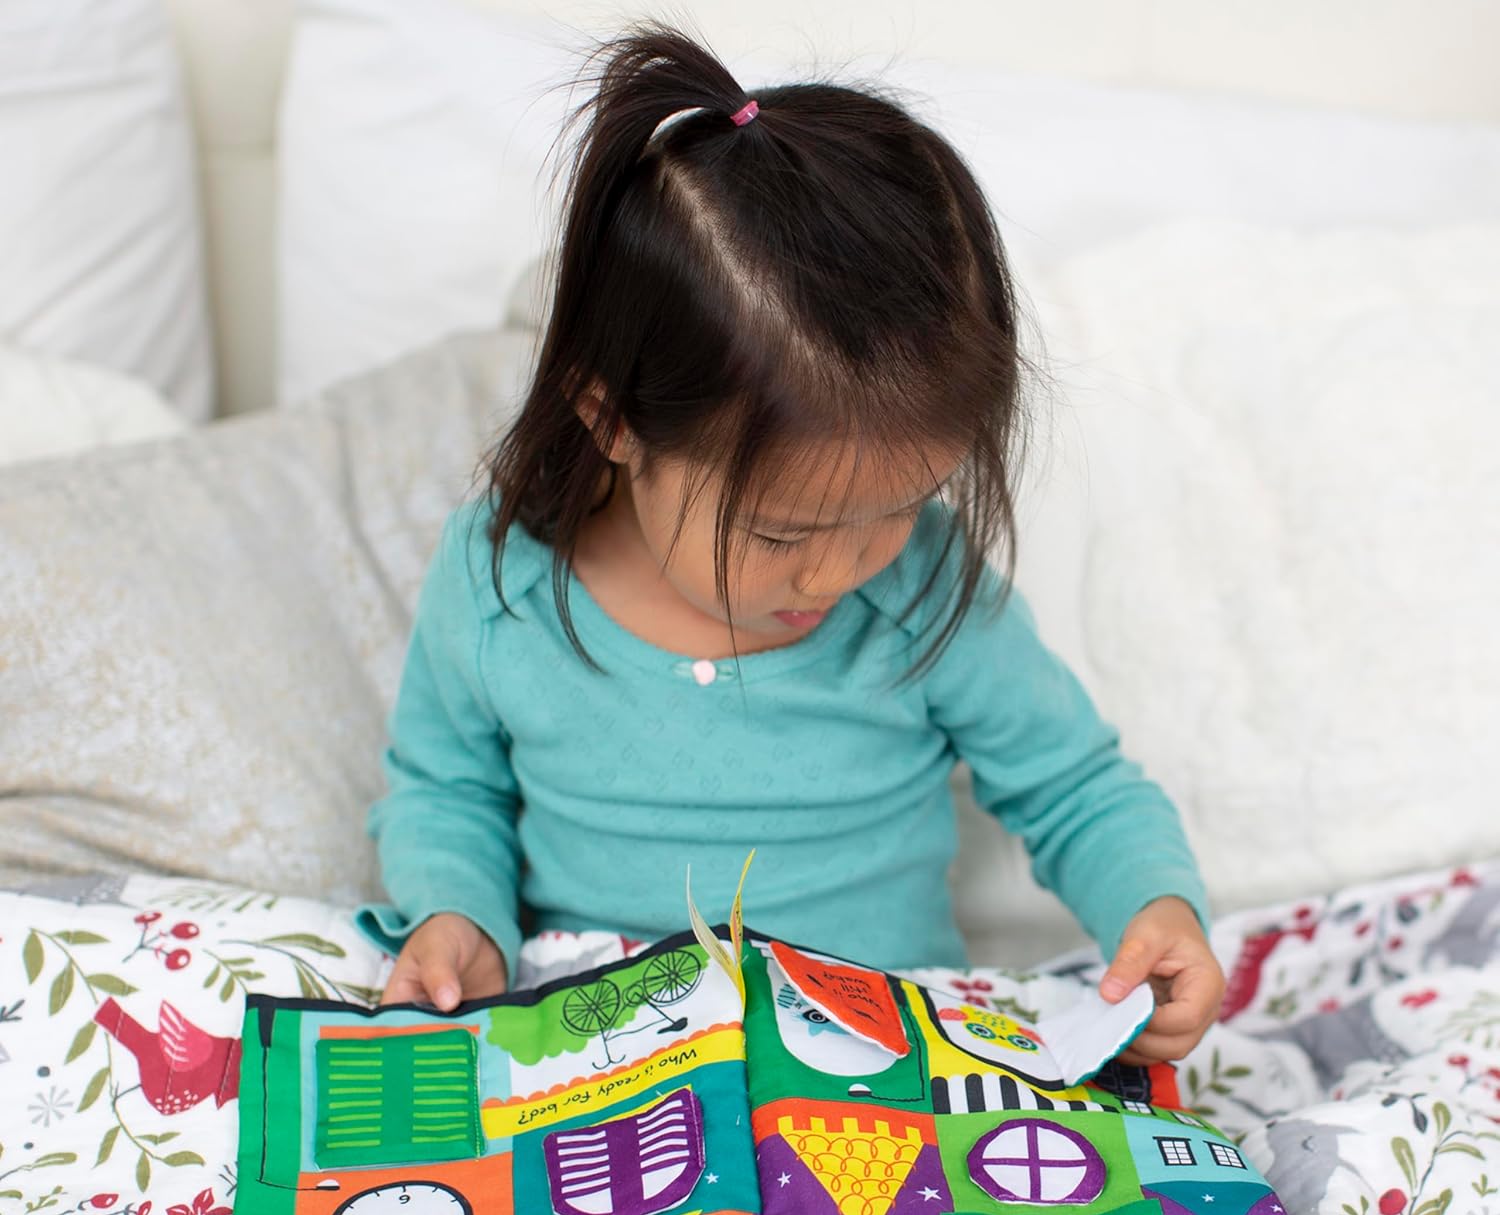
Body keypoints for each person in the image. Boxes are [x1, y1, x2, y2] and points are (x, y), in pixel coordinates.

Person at [354, 22, 1226, 1067]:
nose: (839, 571)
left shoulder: (919, 590)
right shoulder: (506, 588)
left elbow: (1071, 784)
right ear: (614, 421)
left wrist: (1156, 906)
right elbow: (447, 790)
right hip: (610, 1061)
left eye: (903, 505)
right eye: (781, 532)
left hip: (878, 1062)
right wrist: (458, 915)